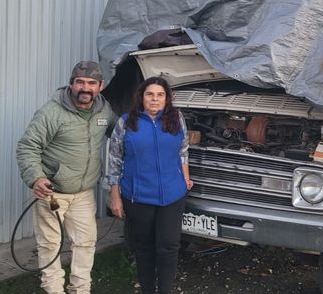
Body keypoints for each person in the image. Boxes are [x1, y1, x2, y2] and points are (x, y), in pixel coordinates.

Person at [16, 60, 116, 294]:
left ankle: (80, 289)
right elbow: (27, 147)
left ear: (100, 86)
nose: (85, 88)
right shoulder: (51, 112)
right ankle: (54, 290)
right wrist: (36, 178)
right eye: (80, 82)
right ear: (71, 84)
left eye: (91, 83)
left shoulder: (105, 110)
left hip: (84, 193)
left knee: (85, 243)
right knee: (50, 245)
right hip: (53, 193)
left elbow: (122, 134)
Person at [104, 76, 193, 294]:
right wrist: (115, 196)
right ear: (141, 97)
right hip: (138, 196)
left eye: (160, 95)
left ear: (167, 98)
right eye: (150, 94)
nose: (155, 99)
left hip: (172, 194)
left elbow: (183, 150)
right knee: (144, 247)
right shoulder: (126, 122)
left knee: (169, 246)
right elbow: (114, 160)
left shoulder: (177, 118)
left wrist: (185, 178)